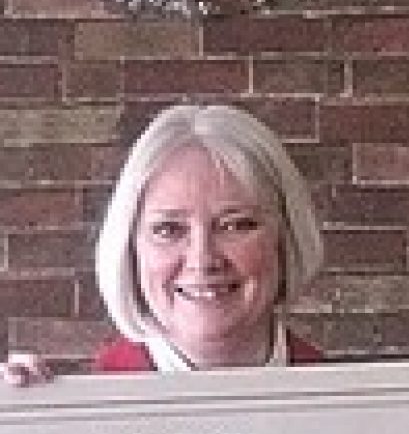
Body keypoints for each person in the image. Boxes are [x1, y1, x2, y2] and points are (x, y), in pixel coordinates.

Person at [2, 103, 323, 383]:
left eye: (236, 225)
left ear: (286, 236)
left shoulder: (355, 406)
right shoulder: (77, 423)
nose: (203, 259)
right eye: (169, 229)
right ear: (131, 249)